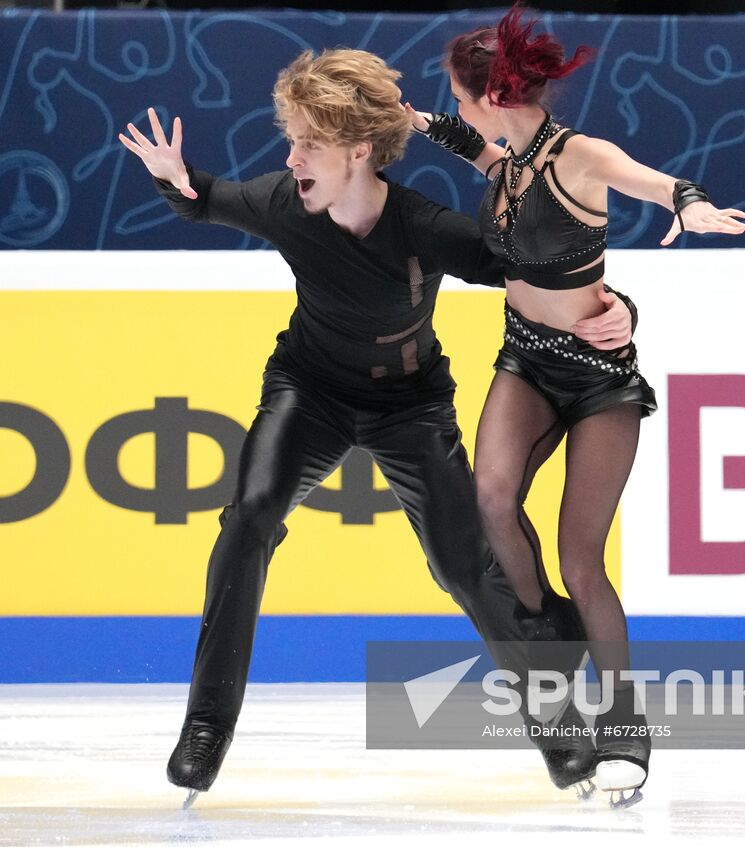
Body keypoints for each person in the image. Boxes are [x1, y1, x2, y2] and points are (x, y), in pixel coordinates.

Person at [118, 48, 637, 805]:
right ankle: (205, 727)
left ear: (360, 150)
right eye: (291, 138)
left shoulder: (425, 226)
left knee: (466, 568)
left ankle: (563, 737)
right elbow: (207, 198)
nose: (290, 156)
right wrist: (175, 178)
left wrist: (614, 306)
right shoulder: (282, 203)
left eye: (308, 143)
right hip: (309, 391)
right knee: (247, 519)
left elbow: (536, 272)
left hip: (411, 406)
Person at [407, 5, 745, 807]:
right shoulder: (512, 163)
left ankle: (624, 727)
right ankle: (544, 632)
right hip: (527, 361)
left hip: (598, 378)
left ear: (491, 94)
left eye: (457, 97)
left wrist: (688, 205)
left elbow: (661, 183)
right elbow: (483, 157)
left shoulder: (580, 158)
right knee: (489, 496)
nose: (457, 109)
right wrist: (420, 123)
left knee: (581, 558)